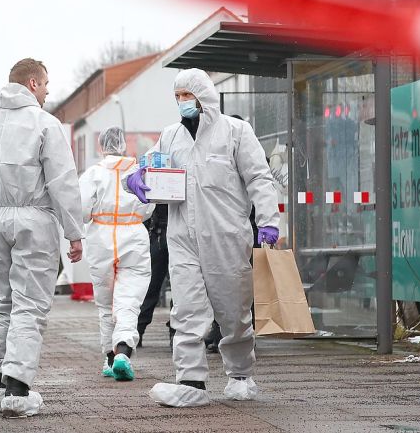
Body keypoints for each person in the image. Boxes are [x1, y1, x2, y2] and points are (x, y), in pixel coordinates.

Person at [125, 68, 280, 408]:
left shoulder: (235, 132)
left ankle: (240, 373)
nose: (182, 102)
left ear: (204, 97)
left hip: (226, 237)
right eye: (177, 96)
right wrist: (137, 180)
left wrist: (268, 221)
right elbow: (152, 168)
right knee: (187, 309)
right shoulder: (170, 136)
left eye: (187, 95)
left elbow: (259, 178)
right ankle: (191, 380)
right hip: (183, 238)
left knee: (234, 311)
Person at [0, 58, 85, 418]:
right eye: (46, 84)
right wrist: (74, 232)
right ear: (32, 83)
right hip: (32, 218)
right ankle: (18, 385)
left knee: (5, 301)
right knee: (30, 304)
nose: (48, 91)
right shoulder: (45, 124)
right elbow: (63, 181)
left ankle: (1, 378)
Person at [78, 126, 154, 382]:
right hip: (133, 236)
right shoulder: (138, 173)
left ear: (101, 147)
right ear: (124, 146)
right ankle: (123, 348)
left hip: (101, 239)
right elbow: (149, 208)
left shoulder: (93, 175)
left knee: (105, 302)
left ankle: (109, 358)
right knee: (129, 299)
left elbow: (82, 209)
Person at [136, 204, 172, 348]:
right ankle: (137, 329)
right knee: (150, 284)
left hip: (167, 230)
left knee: (180, 287)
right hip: (158, 231)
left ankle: (176, 331)